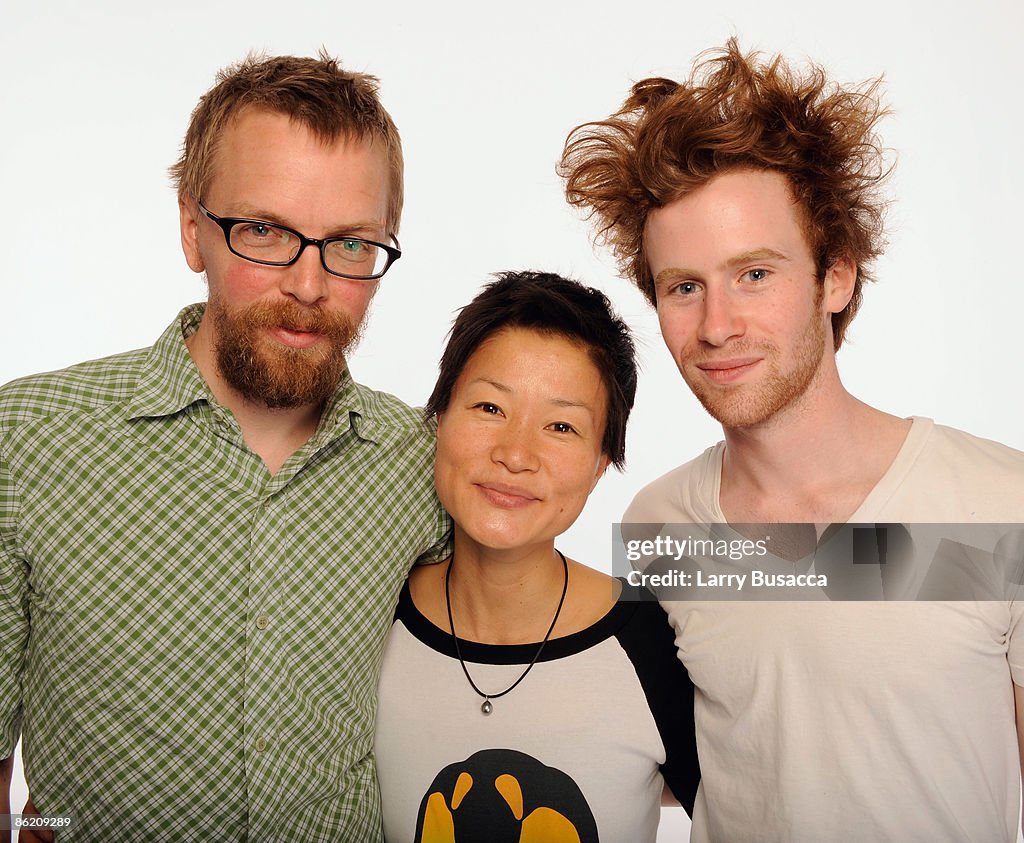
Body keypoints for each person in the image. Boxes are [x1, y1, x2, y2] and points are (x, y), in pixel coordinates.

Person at [559, 39, 1024, 842]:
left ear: (835, 275)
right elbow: (678, 753)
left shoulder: (996, 506)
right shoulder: (660, 527)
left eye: (756, 274)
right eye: (684, 287)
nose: (717, 325)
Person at [0, 53, 449, 841]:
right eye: (265, 231)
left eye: (349, 244)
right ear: (191, 227)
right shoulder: (25, 439)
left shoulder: (422, 461)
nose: (308, 287)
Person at [374, 271, 699, 842]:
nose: (516, 454)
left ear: (602, 463)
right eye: (490, 408)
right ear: (438, 420)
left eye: (561, 425)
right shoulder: (365, 613)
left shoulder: (656, 639)